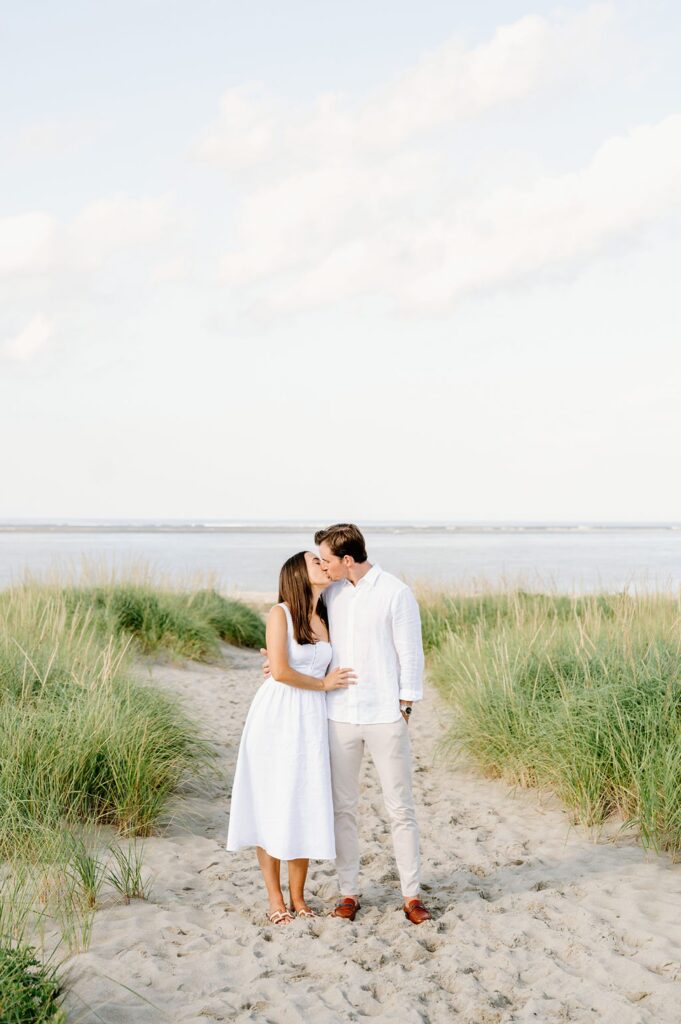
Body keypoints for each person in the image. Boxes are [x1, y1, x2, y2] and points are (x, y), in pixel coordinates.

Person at [261, 525, 433, 925]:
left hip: (385, 716)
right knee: (343, 809)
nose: (322, 565)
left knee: (400, 808)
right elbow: (299, 636)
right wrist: (272, 659)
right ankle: (348, 892)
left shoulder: (396, 592)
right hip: (336, 715)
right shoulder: (330, 595)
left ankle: (411, 896)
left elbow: (411, 654)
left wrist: (404, 708)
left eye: (326, 559)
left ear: (347, 561)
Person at [227, 550, 356, 925]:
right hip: (278, 715)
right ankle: (275, 897)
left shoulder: (326, 613)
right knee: (271, 802)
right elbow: (280, 671)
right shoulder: (280, 613)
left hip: (312, 719)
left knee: (303, 802)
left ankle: (299, 897)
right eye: (315, 561)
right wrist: (322, 683)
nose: (322, 563)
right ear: (298, 574)